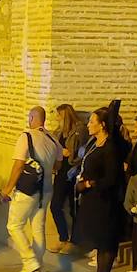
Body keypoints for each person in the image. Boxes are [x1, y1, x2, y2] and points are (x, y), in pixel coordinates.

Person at [74, 102, 129, 272]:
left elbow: (112, 178)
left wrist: (89, 184)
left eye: (92, 121)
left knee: (107, 242)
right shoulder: (94, 144)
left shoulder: (110, 148)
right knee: (100, 242)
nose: (88, 124)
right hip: (93, 202)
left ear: (103, 125)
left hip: (106, 202)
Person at [2, 107, 63, 272]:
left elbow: (18, 165)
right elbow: (58, 166)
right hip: (46, 190)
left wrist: (8, 188)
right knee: (38, 228)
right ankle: (37, 267)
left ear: (32, 118)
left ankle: (29, 261)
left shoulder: (26, 136)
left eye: (29, 117)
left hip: (27, 190)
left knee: (14, 225)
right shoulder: (53, 139)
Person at [48, 104, 84, 251]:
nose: (57, 118)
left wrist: (70, 154)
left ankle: (74, 241)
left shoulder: (79, 130)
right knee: (55, 205)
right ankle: (63, 237)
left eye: (59, 116)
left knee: (74, 208)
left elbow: (82, 151)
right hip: (60, 173)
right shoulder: (58, 132)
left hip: (73, 172)